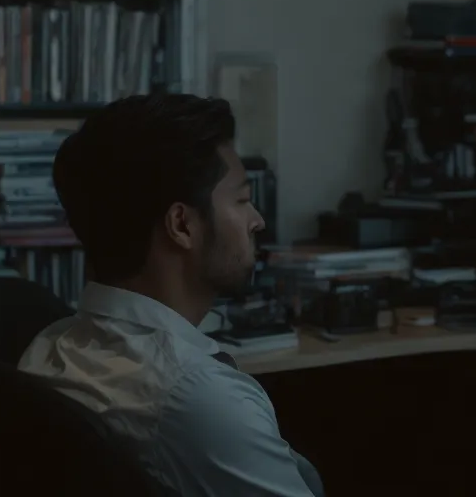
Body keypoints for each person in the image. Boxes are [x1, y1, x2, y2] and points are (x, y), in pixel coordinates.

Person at [17, 95, 322, 496]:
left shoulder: (48, 346)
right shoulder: (200, 397)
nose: (257, 220)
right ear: (182, 224)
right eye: (243, 200)